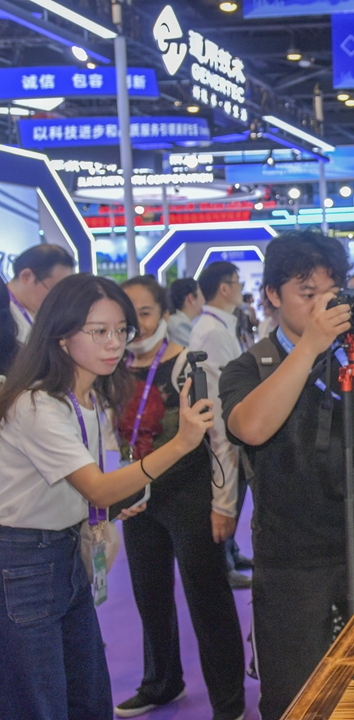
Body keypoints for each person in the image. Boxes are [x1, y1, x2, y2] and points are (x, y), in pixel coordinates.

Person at [221, 231, 354, 720]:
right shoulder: (251, 365)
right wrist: (311, 346)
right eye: (306, 293)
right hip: (293, 559)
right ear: (272, 295)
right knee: (296, 700)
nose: (321, 306)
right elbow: (250, 427)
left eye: (329, 293)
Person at [0, 274, 212, 720]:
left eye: (121, 329)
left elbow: (89, 489)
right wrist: (181, 443)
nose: (114, 343)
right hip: (24, 562)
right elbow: (95, 485)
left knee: (89, 698)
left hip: (64, 550)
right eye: (99, 331)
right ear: (61, 335)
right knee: (41, 703)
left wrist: (111, 505)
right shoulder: (37, 405)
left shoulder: (89, 395)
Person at [113, 276, 245, 720]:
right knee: (149, 595)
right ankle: (161, 683)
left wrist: (224, 503)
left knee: (208, 598)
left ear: (166, 315)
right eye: (128, 316)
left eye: (145, 313)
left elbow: (221, 438)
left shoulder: (189, 365)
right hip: (137, 498)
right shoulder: (113, 367)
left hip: (191, 496)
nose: (136, 324)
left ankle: (229, 702)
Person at [192, 262, 252, 590]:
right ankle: (224, 563)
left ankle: (230, 553)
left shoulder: (219, 325)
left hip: (230, 431)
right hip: (224, 432)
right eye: (238, 282)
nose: (242, 288)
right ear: (224, 288)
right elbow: (218, 399)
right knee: (224, 507)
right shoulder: (213, 331)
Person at [1, 243, 75, 374]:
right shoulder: (4, 315)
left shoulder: (42, 314)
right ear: (26, 276)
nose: (59, 299)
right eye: (53, 290)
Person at [166, 278, 203, 347]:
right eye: (202, 295)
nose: (204, 300)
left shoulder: (177, 321)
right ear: (191, 298)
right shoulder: (179, 326)